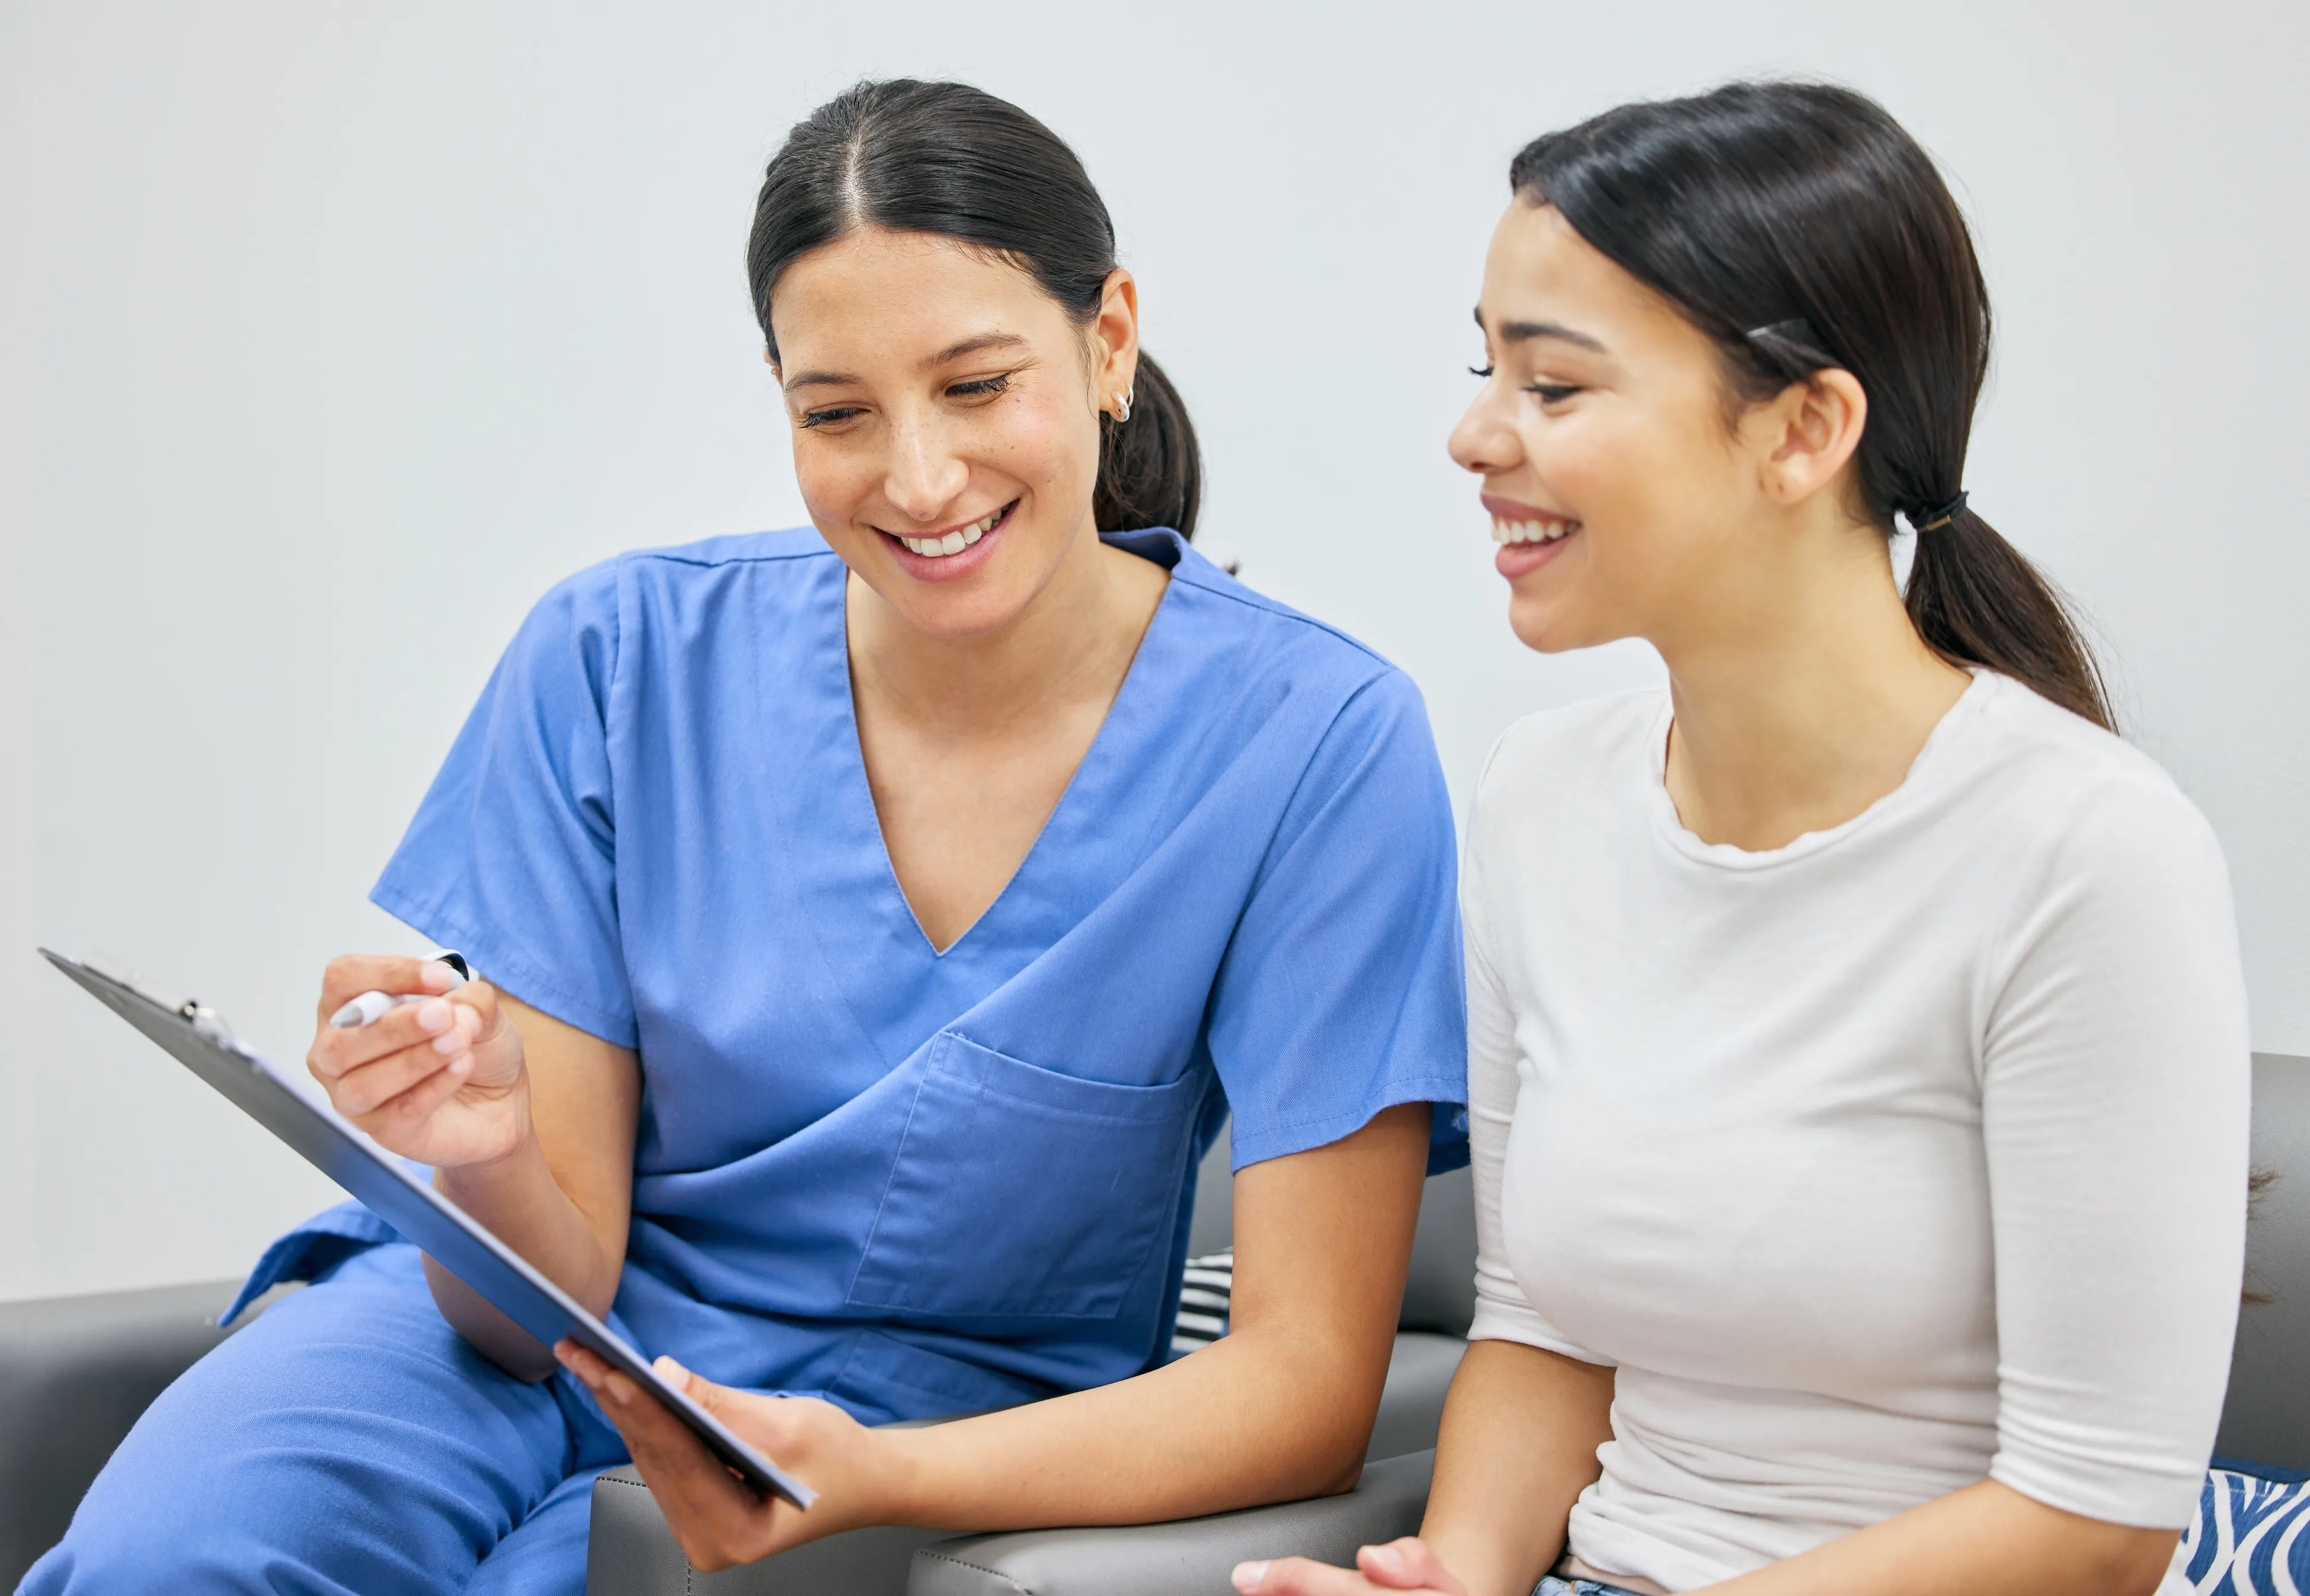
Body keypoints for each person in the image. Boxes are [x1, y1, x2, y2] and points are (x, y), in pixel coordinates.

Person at [25, 79, 1468, 1596]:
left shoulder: (1314, 743)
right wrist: (489, 1154)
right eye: (835, 412)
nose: (915, 479)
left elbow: (1305, 1388)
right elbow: (533, 1308)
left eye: (977, 386)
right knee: (172, 1558)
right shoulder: (617, 653)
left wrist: (876, 1474)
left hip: (910, 1412)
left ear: (1106, 341)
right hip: (514, 1346)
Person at [1236, 82, 2248, 1596]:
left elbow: (2092, 1522)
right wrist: (1450, 1571)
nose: (1470, 434)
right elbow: (1539, 1322)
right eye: (1483, 368)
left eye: (1555, 388)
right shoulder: (1539, 796)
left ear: (1803, 431)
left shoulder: (2086, 852)